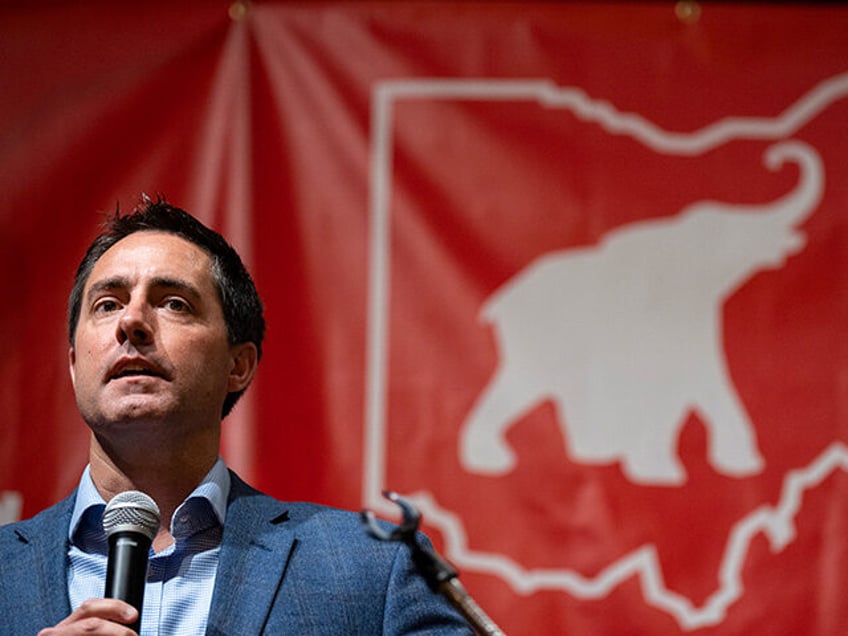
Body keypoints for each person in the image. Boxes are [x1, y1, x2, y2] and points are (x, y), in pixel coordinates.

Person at [0, 198, 473, 635]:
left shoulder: (372, 567)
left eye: (173, 303)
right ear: (74, 363)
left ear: (238, 365)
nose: (131, 321)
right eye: (108, 304)